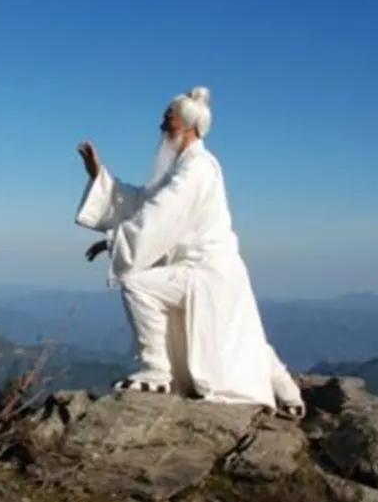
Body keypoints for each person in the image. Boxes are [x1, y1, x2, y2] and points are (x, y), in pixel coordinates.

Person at [75, 86, 304, 417]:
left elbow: (161, 215)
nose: (161, 126)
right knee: (242, 334)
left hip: (205, 272)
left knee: (137, 285)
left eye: (167, 119)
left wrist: (114, 241)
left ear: (188, 126)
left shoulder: (197, 169)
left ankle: (156, 372)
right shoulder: (184, 168)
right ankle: (290, 394)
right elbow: (145, 202)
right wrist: (100, 177)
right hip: (219, 272)